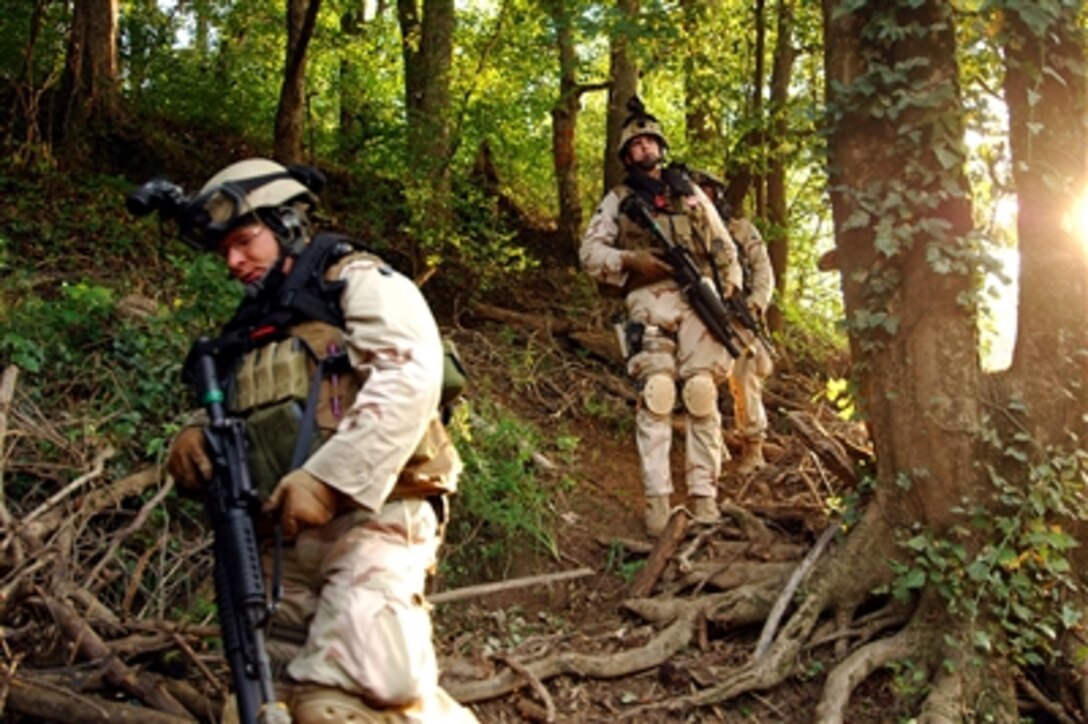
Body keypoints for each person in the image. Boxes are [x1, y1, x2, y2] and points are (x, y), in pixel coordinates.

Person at [161, 158, 477, 723]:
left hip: (373, 519)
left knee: (350, 700)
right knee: (266, 707)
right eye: (223, 251)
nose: (233, 261)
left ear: (284, 223)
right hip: (279, 546)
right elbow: (252, 410)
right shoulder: (252, 327)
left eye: (243, 241)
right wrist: (195, 434)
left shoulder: (354, 279)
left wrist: (329, 480)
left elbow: (411, 373)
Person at [580, 98, 742, 538]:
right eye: (637, 144)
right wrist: (632, 260)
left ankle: (705, 499)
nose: (645, 148)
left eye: (651, 140)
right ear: (626, 155)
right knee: (656, 393)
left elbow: (723, 244)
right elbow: (590, 254)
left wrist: (729, 285)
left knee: (703, 392)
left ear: (661, 146)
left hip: (699, 299)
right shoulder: (618, 200)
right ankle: (658, 502)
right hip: (649, 301)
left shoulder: (687, 192)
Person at [690, 168, 776, 474]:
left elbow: (763, 270)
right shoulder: (688, 229)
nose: (702, 196)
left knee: (744, 375)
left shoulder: (741, 230)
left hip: (739, 314)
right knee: (701, 379)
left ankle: (753, 447)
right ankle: (713, 447)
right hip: (700, 316)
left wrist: (755, 304)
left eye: (707, 190)